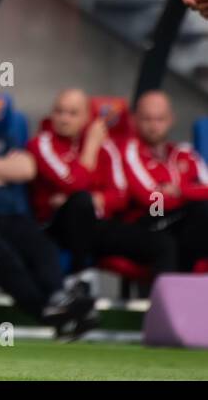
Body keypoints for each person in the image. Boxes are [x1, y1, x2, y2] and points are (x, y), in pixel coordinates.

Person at [0, 70, 94, 335]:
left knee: (42, 248)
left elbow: (26, 169)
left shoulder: (1, 137)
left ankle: (57, 301)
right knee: (8, 262)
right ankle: (50, 314)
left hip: (14, 216)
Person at [30, 88, 177, 277]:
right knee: (80, 202)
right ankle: (79, 281)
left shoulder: (106, 147)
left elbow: (121, 195)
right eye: (59, 111)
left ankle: (165, 303)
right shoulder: (42, 143)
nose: (64, 119)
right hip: (57, 226)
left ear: (87, 117)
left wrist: (95, 199)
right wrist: (91, 147)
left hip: (99, 224)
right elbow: (76, 185)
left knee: (163, 244)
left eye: (73, 113)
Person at [120, 90, 208, 272]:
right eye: (147, 119)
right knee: (201, 211)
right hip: (148, 221)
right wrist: (188, 193)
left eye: (159, 119)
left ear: (170, 120)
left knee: (202, 211)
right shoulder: (129, 151)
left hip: (183, 222)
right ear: (135, 119)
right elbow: (152, 201)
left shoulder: (184, 153)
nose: (153, 126)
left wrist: (179, 191)